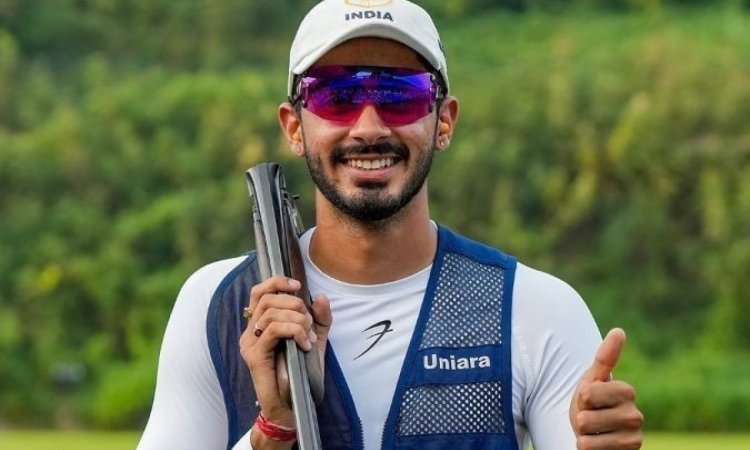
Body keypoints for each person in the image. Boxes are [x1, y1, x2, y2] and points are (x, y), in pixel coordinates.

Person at [137, 1, 644, 449]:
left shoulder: (534, 310)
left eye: (399, 95)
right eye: (337, 96)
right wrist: (273, 432)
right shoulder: (218, 305)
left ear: (443, 121)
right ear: (294, 127)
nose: (369, 127)